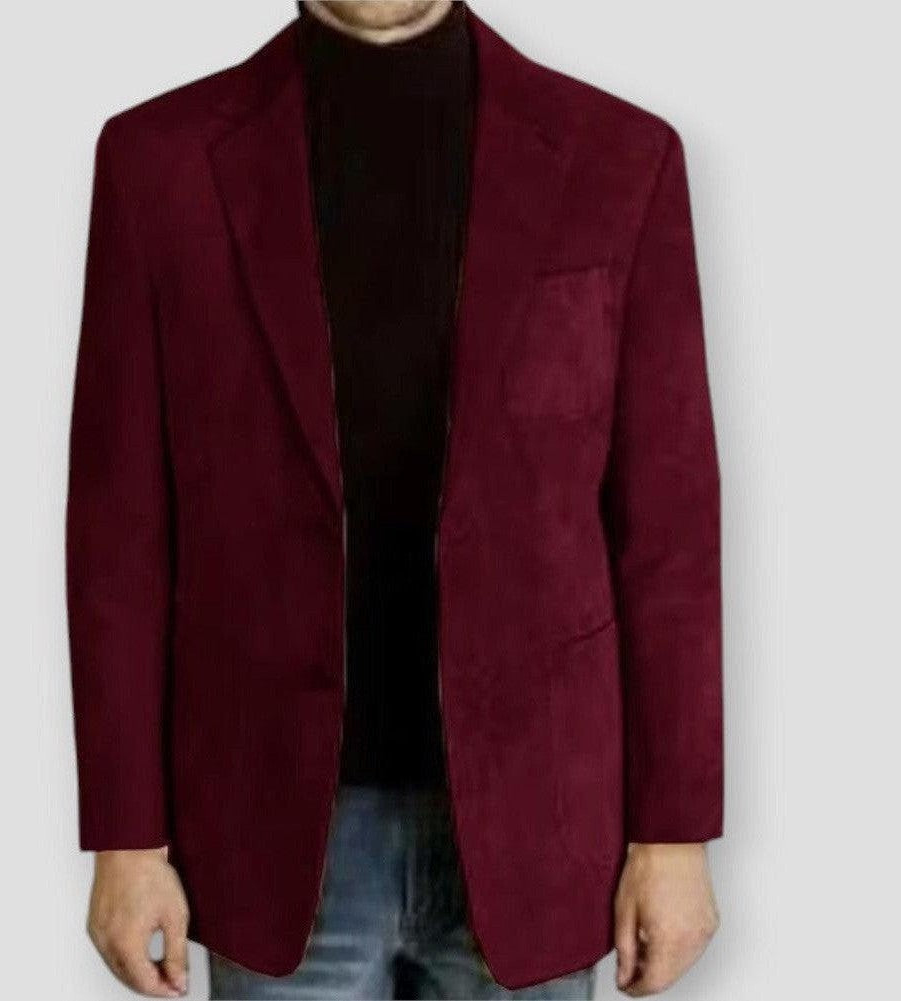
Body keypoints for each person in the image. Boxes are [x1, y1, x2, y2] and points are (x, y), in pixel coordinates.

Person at [66, 2, 723, 998]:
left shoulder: (619, 158)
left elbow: (667, 529)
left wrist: (671, 833)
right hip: (271, 826)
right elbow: (118, 530)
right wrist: (126, 837)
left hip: (537, 819)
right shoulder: (158, 162)